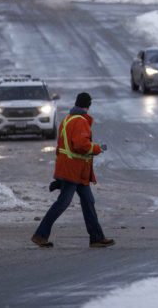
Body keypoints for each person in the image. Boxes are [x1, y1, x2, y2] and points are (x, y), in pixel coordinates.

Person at [31, 92, 114, 248]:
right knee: (63, 203)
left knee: (88, 202)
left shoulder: (67, 120)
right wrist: (98, 148)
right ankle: (40, 234)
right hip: (73, 171)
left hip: (74, 170)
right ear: (88, 105)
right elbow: (81, 146)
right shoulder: (80, 121)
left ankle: (96, 238)